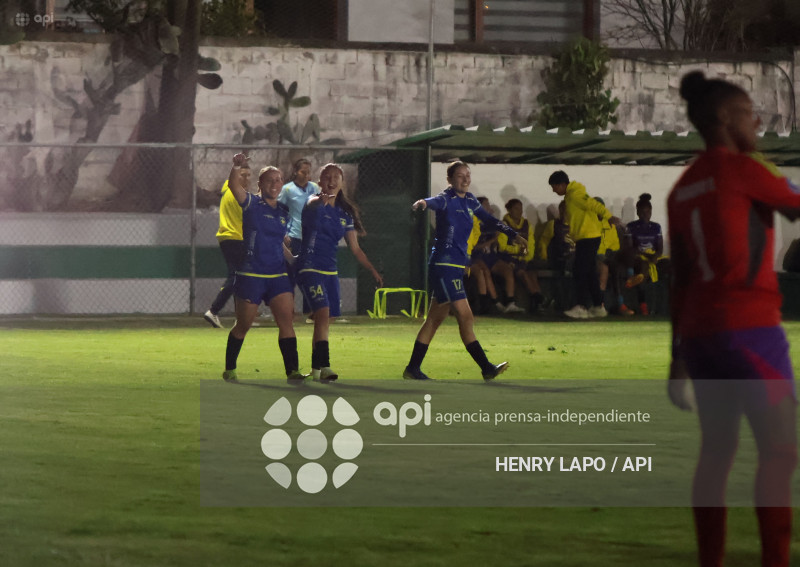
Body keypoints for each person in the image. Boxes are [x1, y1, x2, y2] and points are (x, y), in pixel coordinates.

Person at [668, 70, 800, 567]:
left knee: (717, 453)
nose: (758, 123)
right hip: (751, 330)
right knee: (780, 452)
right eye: (750, 114)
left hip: (702, 338)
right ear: (725, 119)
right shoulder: (744, 169)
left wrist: (676, 358)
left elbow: (677, 280)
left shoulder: (681, 188)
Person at [403, 161, 528, 381]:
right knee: (465, 315)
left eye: (467, 175)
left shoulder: (470, 201)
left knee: (434, 319)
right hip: (443, 266)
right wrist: (422, 203)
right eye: (460, 176)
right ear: (450, 179)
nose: (465, 179)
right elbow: (432, 202)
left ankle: (412, 368)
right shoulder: (446, 198)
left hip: (455, 266)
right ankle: (486, 367)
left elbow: (490, 220)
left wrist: (512, 234)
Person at [296, 163, 383, 381]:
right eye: (327, 177)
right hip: (309, 266)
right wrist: (321, 202)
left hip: (330, 270)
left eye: (336, 177)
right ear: (320, 181)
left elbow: (355, 248)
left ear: (342, 183)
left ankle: (316, 370)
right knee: (323, 313)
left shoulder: (345, 214)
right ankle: (324, 367)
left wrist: (372, 269)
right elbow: (312, 208)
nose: (332, 181)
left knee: (327, 318)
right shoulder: (312, 203)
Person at [221, 153, 303, 382]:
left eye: (278, 180)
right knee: (243, 325)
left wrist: (295, 260)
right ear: (260, 184)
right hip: (251, 274)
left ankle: (293, 372)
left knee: (286, 322)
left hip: (277, 274)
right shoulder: (251, 204)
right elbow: (233, 185)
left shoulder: (283, 212)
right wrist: (237, 166)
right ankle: (230, 368)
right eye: (270, 180)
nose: (275, 184)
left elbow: (278, 243)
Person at [548, 171, 620, 319]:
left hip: (588, 237)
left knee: (579, 270)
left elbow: (593, 204)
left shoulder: (575, 194)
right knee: (589, 272)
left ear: (562, 184)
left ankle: (581, 306)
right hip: (586, 237)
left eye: (554, 186)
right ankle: (598, 305)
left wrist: (609, 217)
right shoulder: (571, 195)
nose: (553, 190)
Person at [203, 163, 251, 328]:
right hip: (236, 238)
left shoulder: (227, 190)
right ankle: (214, 310)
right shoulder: (238, 196)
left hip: (226, 238)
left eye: (248, 175)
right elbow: (250, 220)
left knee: (238, 277)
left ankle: (240, 316)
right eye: (242, 175)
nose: (246, 178)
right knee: (237, 276)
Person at [279, 158, 320, 318]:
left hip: (310, 237)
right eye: (303, 172)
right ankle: (288, 310)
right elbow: (279, 211)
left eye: (309, 172)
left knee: (310, 273)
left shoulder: (314, 188)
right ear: (296, 172)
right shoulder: (287, 190)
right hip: (294, 236)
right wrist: (283, 233)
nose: (307, 175)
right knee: (292, 273)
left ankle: (310, 310)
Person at [496, 198, 546, 314]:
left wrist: (526, 255)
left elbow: (531, 244)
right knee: (522, 273)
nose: (519, 212)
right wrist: (518, 250)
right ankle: (538, 298)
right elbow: (502, 246)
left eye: (521, 209)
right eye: (516, 209)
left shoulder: (526, 224)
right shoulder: (504, 225)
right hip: (509, 258)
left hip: (523, 258)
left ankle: (537, 301)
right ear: (509, 210)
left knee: (533, 273)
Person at [625, 192, 664, 315]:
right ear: (637, 212)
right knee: (643, 266)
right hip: (639, 256)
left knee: (669, 264)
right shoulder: (631, 226)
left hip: (654, 256)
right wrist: (649, 257)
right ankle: (644, 305)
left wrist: (655, 256)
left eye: (648, 212)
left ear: (651, 212)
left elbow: (660, 248)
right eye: (642, 212)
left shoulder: (656, 227)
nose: (645, 215)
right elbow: (630, 248)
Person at [466, 197, 503, 315]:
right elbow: (475, 245)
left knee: (484, 271)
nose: (489, 207)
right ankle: (488, 303)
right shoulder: (471, 221)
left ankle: (488, 304)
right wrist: (493, 239)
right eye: (486, 205)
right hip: (469, 256)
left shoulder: (487, 222)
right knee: (482, 271)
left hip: (480, 257)